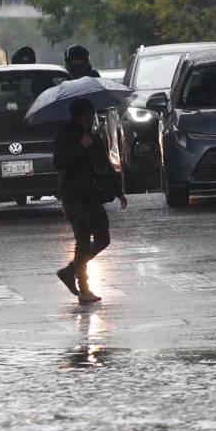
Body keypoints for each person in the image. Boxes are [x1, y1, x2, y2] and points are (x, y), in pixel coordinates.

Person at [53, 99, 127, 303]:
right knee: (83, 242)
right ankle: (83, 288)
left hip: (93, 196)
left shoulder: (93, 136)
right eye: (87, 115)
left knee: (103, 239)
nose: (90, 119)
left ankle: (70, 271)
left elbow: (105, 163)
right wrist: (79, 147)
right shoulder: (66, 136)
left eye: (92, 115)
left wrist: (118, 191)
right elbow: (58, 162)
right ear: (78, 116)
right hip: (74, 197)